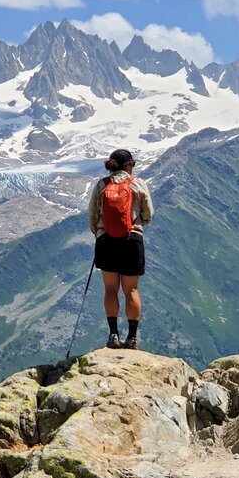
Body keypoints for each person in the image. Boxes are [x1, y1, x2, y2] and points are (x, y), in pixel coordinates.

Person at [88, 149, 154, 349]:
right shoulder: (138, 184)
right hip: (132, 239)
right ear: (128, 166)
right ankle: (132, 338)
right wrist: (136, 224)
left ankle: (113, 335)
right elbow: (149, 214)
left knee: (110, 289)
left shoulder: (101, 185)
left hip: (106, 240)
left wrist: (99, 232)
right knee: (131, 289)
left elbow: (93, 214)